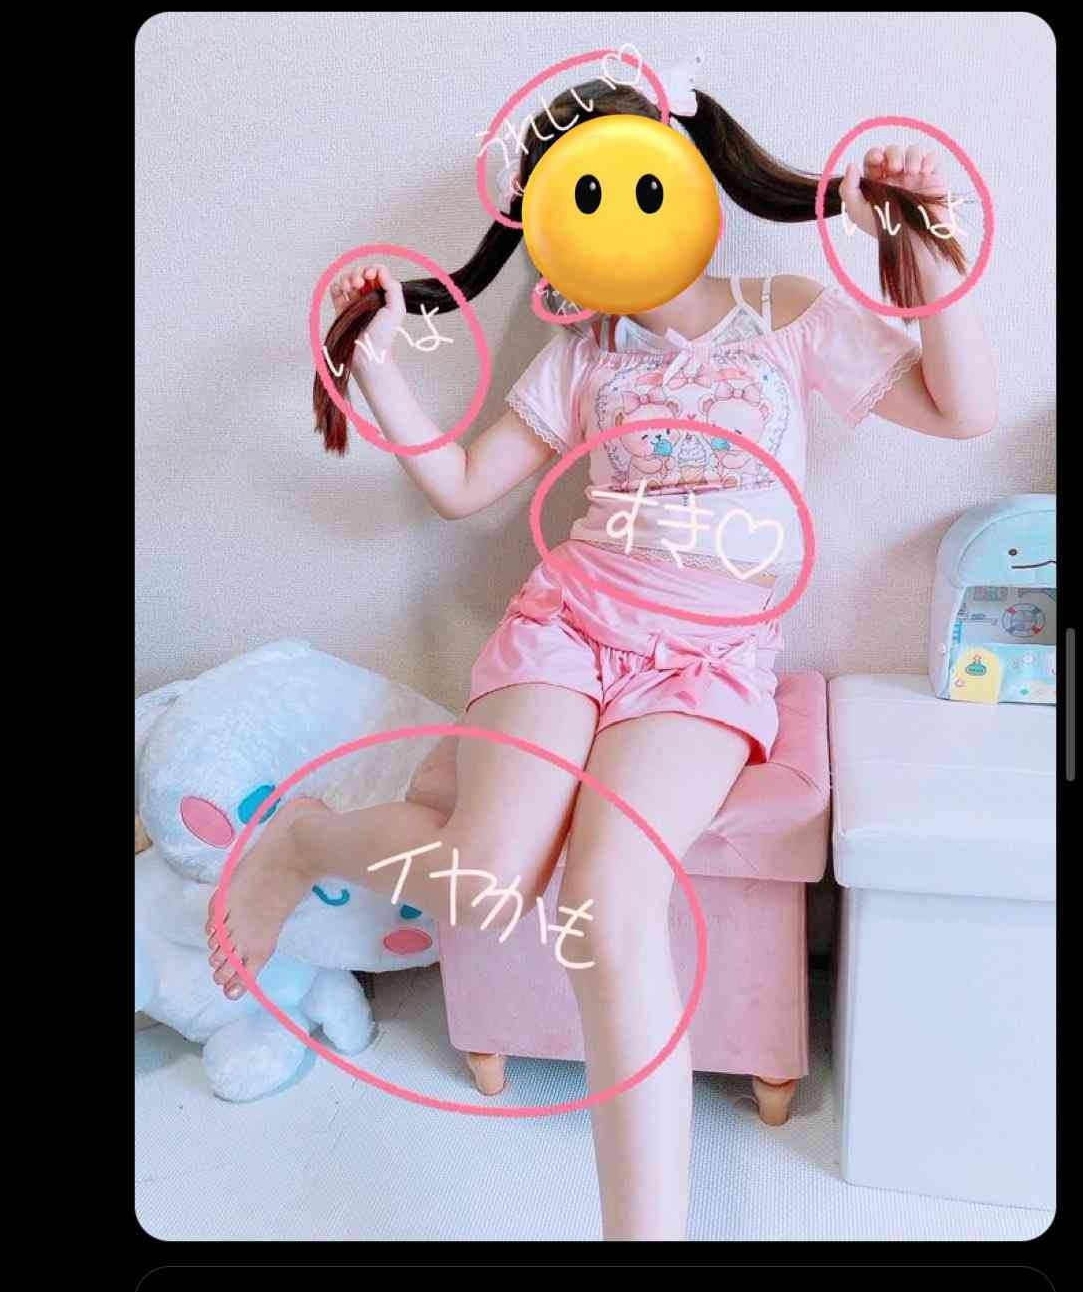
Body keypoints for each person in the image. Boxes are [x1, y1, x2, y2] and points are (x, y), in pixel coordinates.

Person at [206, 76, 997, 1241]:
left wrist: (916, 235)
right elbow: (463, 487)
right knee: (486, 873)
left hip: (704, 661)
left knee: (607, 903)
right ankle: (303, 840)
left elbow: (960, 408)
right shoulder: (579, 355)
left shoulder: (781, 314)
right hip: (569, 625)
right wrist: (375, 369)